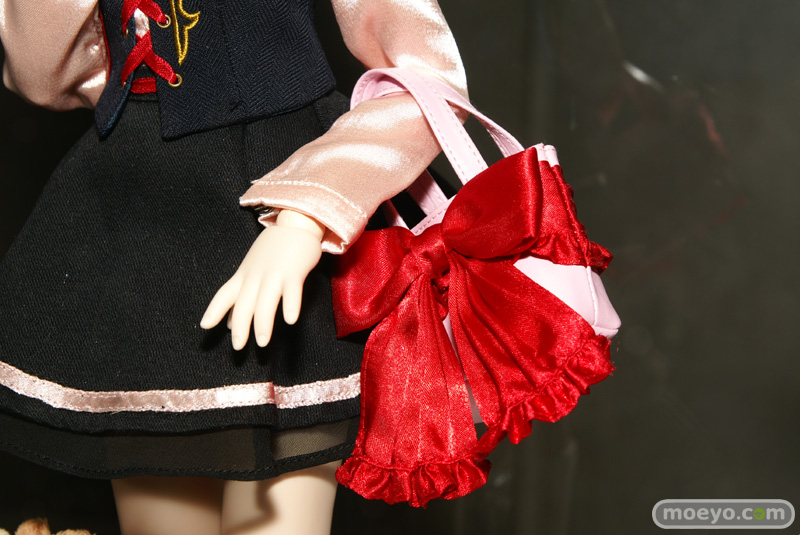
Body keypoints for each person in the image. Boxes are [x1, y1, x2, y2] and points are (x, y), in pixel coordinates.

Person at [0, 1, 468, 533]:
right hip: (142, 217)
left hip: (284, 190)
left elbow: (429, 75)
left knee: (282, 504)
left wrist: (311, 209)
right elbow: (40, 73)